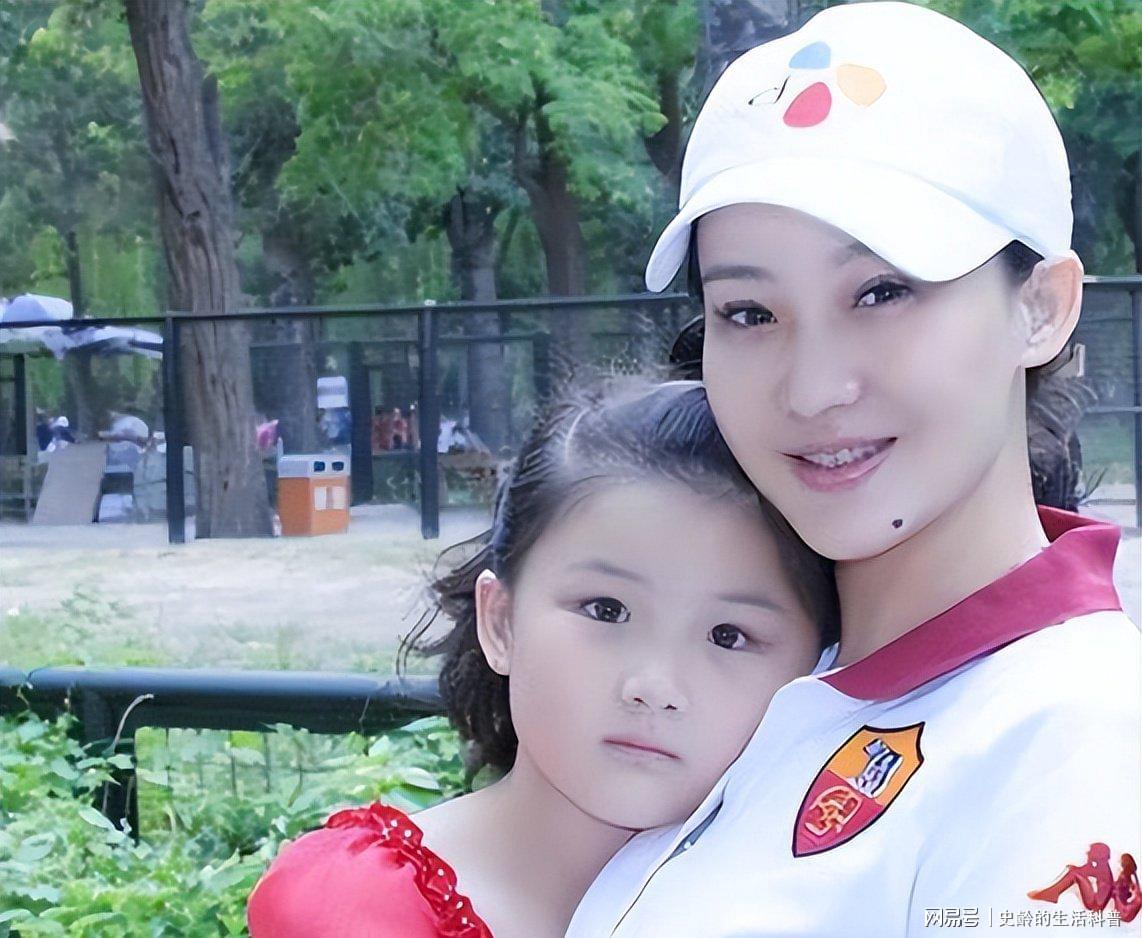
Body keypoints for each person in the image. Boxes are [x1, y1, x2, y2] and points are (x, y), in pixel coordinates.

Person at [567, 4, 1140, 936]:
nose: (812, 390)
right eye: (750, 313)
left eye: (881, 292)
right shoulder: (753, 678)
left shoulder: (1076, 737)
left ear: (1041, 307)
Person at [246, 378, 839, 937]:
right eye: (606, 610)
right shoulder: (358, 908)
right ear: (501, 621)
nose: (655, 685)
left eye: (728, 636)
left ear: (819, 667)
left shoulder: (840, 903)